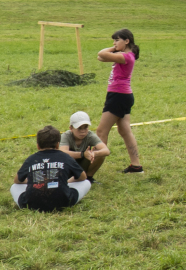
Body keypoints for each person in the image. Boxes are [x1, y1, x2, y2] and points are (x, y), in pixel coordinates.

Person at [96, 29, 143, 174]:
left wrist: (114, 49)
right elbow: (100, 58)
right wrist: (116, 48)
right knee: (124, 130)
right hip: (123, 95)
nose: (114, 43)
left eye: (117, 40)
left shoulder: (126, 56)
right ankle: (136, 166)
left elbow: (101, 53)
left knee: (101, 131)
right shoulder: (125, 55)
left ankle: (91, 169)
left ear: (126, 41)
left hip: (118, 96)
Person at [11, 125, 92, 211]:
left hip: (32, 205)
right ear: (57, 145)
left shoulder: (31, 159)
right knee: (86, 182)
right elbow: (82, 177)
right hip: (63, 202)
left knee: (14, 186)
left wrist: (33, 181)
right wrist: (66, 181)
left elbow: (17, 181)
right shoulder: (66, 157)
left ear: (38, 146)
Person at [59, 111, 110, 182]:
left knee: (101, 155)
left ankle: (88, 178)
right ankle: (68, 177)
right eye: (79, 128)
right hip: (69, 165)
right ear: (71, 128)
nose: (83, 131)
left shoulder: (90, 135)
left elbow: (106, 151)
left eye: (85, 127)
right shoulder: (65, 136)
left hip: (83, 164)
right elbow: (62, 154)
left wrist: (94, 153)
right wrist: (82, 154)